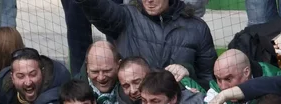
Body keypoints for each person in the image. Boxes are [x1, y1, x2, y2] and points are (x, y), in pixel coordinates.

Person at [75, 0, 217, 88]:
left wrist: (188, 72)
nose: (148, 0)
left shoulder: (197, 29)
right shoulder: (126, 17)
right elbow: (98, 8)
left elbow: (210, 83)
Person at [0, 47, 71, 104]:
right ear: (12, 77)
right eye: (20, 76)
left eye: (33, 74)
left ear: (42, 72)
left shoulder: (54, 92)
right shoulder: (2, 87)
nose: (28, 82)